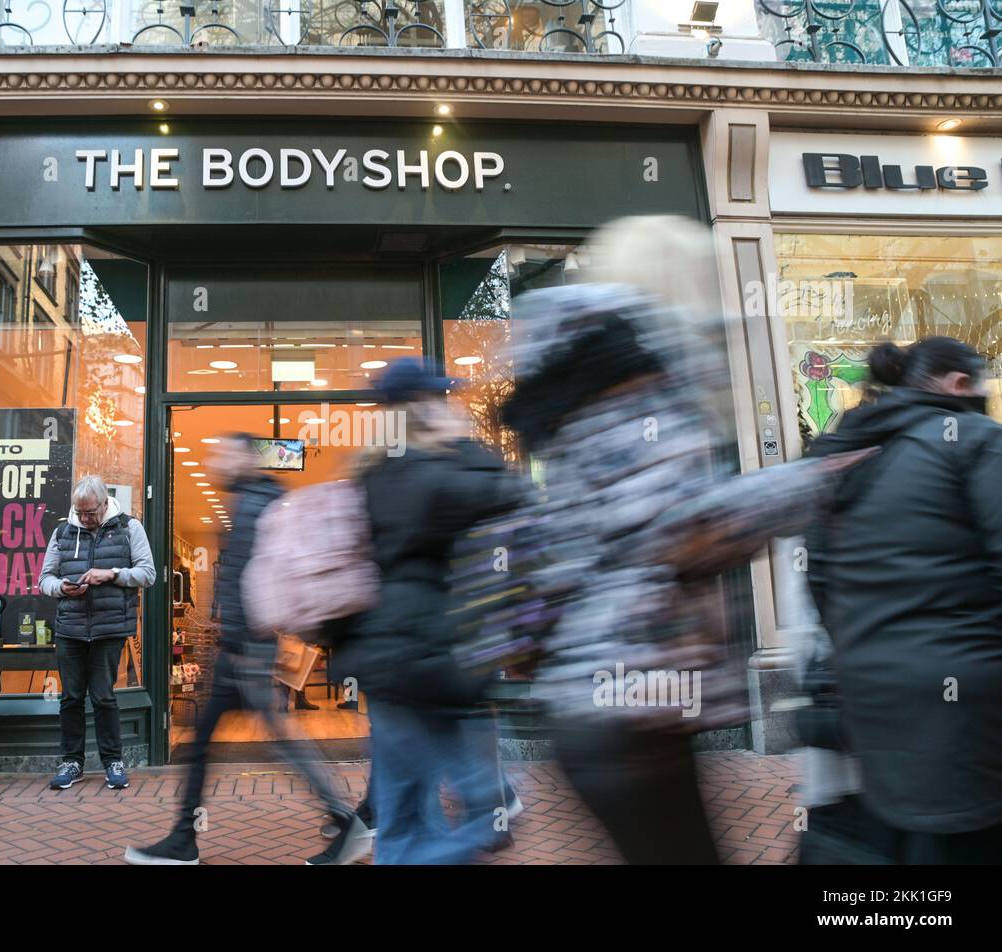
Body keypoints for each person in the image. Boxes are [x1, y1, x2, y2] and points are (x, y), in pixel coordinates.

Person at [498, 217, 860, 864]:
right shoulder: (631, 378)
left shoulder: (590, 377)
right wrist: (821, 477)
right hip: (632, 697)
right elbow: (682, 527)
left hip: (613, 698)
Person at [125, 434, 369, 866]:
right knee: (217, 743)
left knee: (274, 742)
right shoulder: (250, 501)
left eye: (223, 453)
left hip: (246, 649)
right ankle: (184, 836)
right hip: (241, 647)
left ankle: (345, 819)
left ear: (242, 458)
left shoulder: (258, 504)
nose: (216, 460)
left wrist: (240, 641)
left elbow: (260, 581)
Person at [803, 336, 1002, 863]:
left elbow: (819, 578)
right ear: (960, 384)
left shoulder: (850, 449)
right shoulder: (976, 440)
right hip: (969, 696)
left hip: (871, 693)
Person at [336, 358, 523, 865]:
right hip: (431, 656)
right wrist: (464, 441)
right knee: (491, 809)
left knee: (401, 814)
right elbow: (509, 491)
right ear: (421, 408)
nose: (449, 407)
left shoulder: (374, 471)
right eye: (439, 400)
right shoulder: (427, 475)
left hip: (386, 659)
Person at [38, 475, 155, 791]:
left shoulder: (130, 528)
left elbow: (148, 574)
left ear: (105, 503)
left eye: (90, 512)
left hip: (109, 628)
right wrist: (61, 588)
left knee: (104, 697)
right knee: (71, 698)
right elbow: (44, 579)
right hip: (70, 629)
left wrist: (112, 574)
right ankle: (71, 762)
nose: (84, 518)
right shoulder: (63, 531)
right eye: (80, 511)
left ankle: (113, 762)